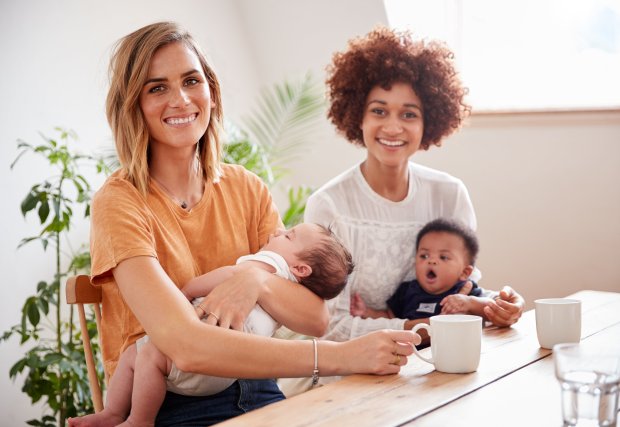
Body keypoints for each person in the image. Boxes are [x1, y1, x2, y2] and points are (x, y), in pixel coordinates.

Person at [72, 22, 420, 426]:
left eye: (191, 80)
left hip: (259, 389)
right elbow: (184, 346)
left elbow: (314, 317)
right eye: (157, 87)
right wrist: (342, 356)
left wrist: (254, 281)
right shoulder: (120, 202)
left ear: (211, 92)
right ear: (132, 104)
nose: (181, 99)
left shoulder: (245, 187)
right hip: (167, 402)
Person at [277, 26, 524, 396]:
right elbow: (328, 323)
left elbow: (462, 289)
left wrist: (496, 307)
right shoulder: (330, 204)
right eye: (379, 111)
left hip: (437, 369)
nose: (393, 126)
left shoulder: (449, 194)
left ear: (428, 124)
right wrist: (418, 328)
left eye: (409, 114)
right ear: (358, 117)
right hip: (349, 375)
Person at [70, 223, 353, 427]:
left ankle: (134, 419)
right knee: (145, 355)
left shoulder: (272, 263)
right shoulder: (292, 282)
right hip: (232, 365)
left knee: (143, 354)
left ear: (301, 269)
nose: (279, 231)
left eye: (289, 235)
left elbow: (233, 273)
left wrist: (189, 290)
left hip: (213, 352)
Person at [350, 218, 493, 320]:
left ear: (464, 272)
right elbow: (390, 317)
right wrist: (367, 312)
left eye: (443, 257)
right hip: (412, 357)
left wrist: (470, 304)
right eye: (424, 255)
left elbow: (490, 310)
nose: (431, 260)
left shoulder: (464, 292)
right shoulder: (407, 291)